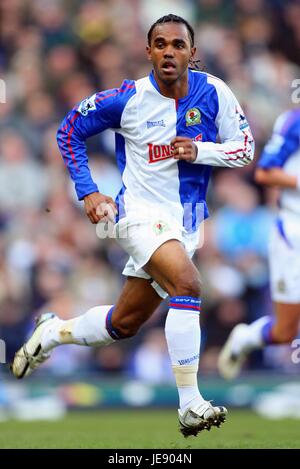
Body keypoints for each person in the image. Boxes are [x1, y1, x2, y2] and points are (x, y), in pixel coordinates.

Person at [12, 14, 254, 437]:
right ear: (148, 52)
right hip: (139, 216)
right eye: (159, 44)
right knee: (188, 285)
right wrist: (88, 191)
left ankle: (52, 332)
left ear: (192, 53)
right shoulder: (128, 98)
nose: (168, 52)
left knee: (122, 325)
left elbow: (246, 149)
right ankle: (190, 404)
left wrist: (201, 150)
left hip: (188, 223)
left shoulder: (215, 92)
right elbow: (69, 129)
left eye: (177, 45)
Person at [218, 108, 300, 380]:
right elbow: (265, 172)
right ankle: (246, 337)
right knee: (285, 331)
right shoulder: (294, 121)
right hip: (293, 232)